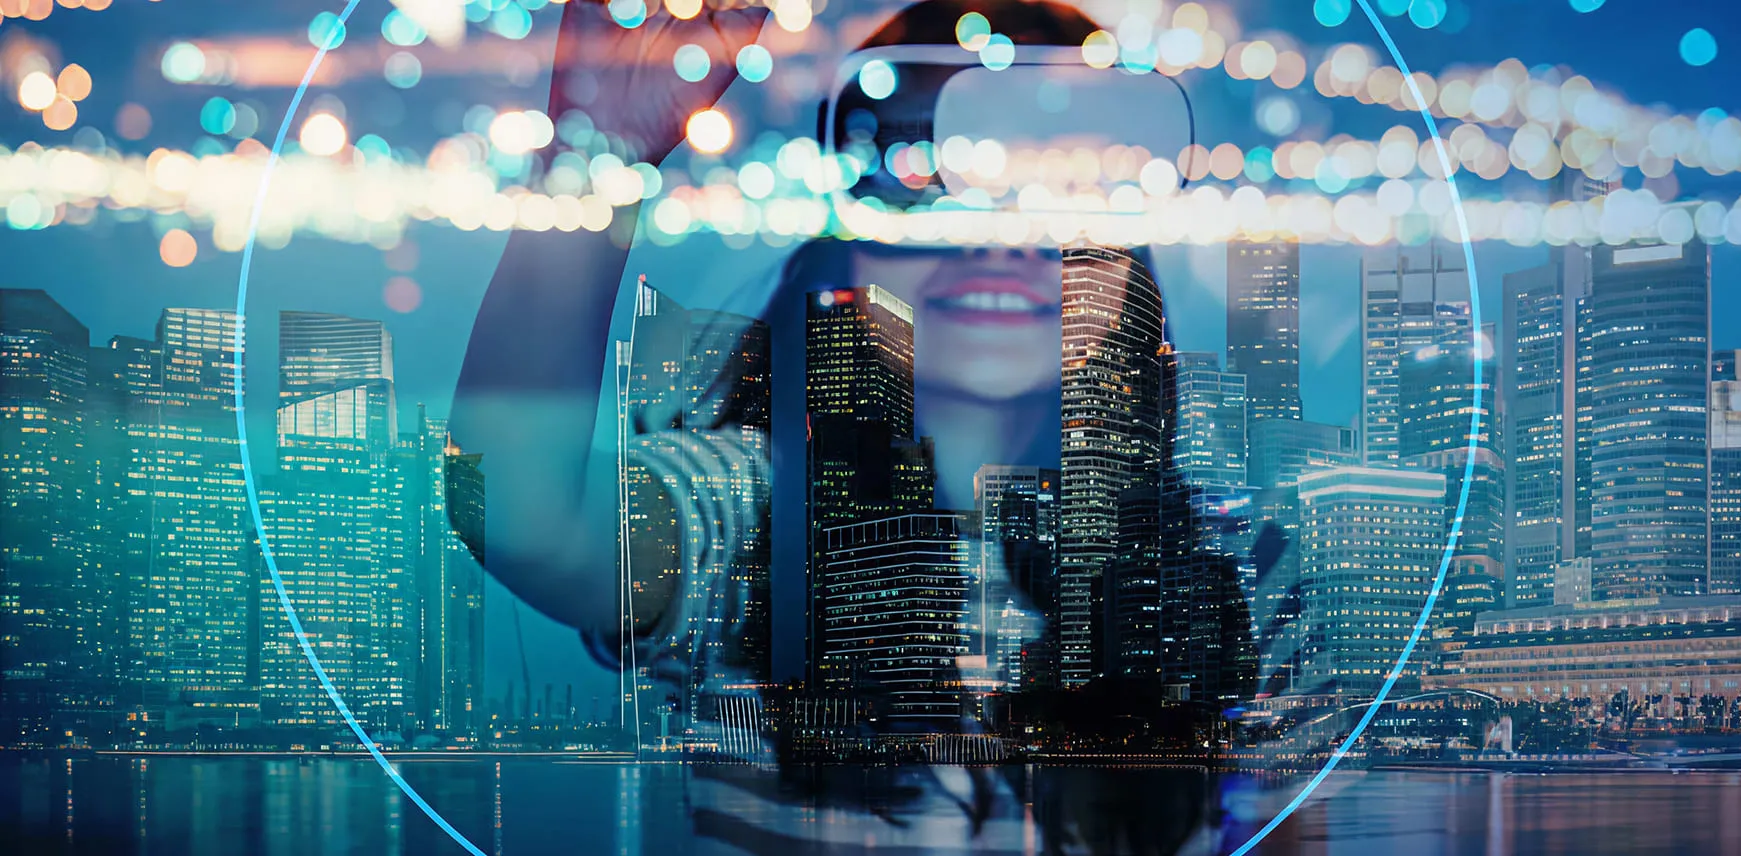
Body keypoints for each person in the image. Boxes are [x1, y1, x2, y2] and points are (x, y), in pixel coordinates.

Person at [452, 0, 1303, 851]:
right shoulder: (751, 517)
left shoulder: (1238, 567)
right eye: (923, 172)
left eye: (1066, 185)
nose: (998, 236)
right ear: (846, 239)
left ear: (1127, 261)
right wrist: (591, 160)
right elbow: (518, 508)